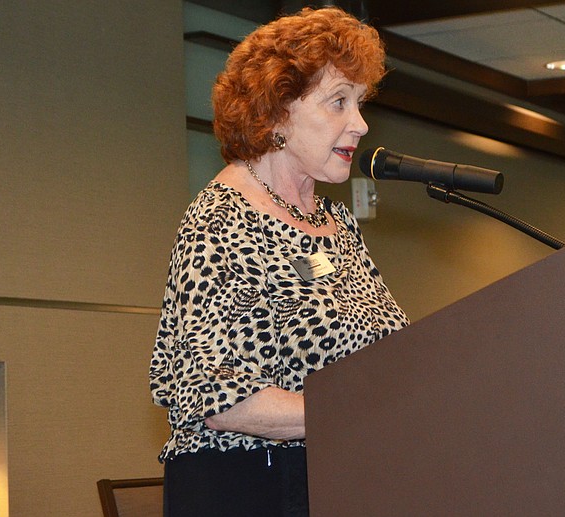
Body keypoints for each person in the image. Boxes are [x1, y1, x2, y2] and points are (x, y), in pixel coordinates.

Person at [148, 7, 409, 516]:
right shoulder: (222, 220)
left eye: (359, 103)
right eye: (339, 102)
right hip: (250, 490)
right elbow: (213, 394)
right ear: (277, 111)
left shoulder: (337, 227)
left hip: (339, 481)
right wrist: (362, 410)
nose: (360, 123)